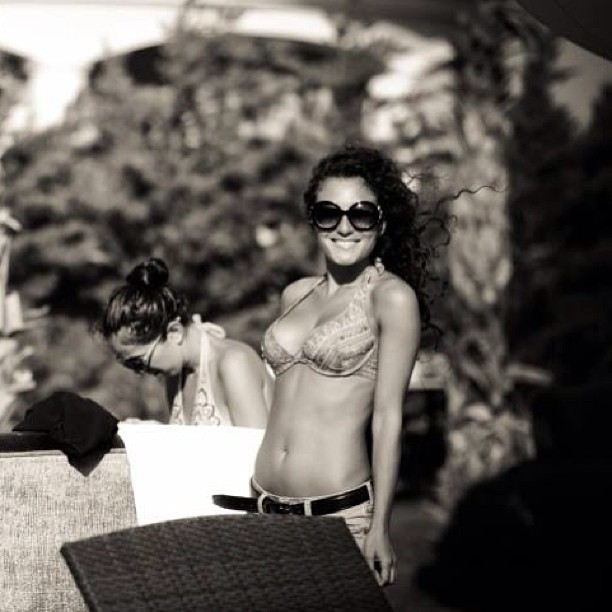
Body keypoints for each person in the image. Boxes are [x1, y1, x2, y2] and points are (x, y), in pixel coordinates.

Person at [214, 144, 443, 586]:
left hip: (338, 518)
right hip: (262, 509)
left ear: (381, 222)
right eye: (328, 213)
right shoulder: (294, 294)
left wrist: (380, 526)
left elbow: (388, 418)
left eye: (361, 214)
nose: (344, 226)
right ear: (313, 219)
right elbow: (281, 397)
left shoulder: (391, 298)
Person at [99, 258, 270, 428]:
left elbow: (257, 444)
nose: (141, 372)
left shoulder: (234, 363)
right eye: (129, 365)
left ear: (174, 333)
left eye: (138, 362)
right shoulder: (176, 376)